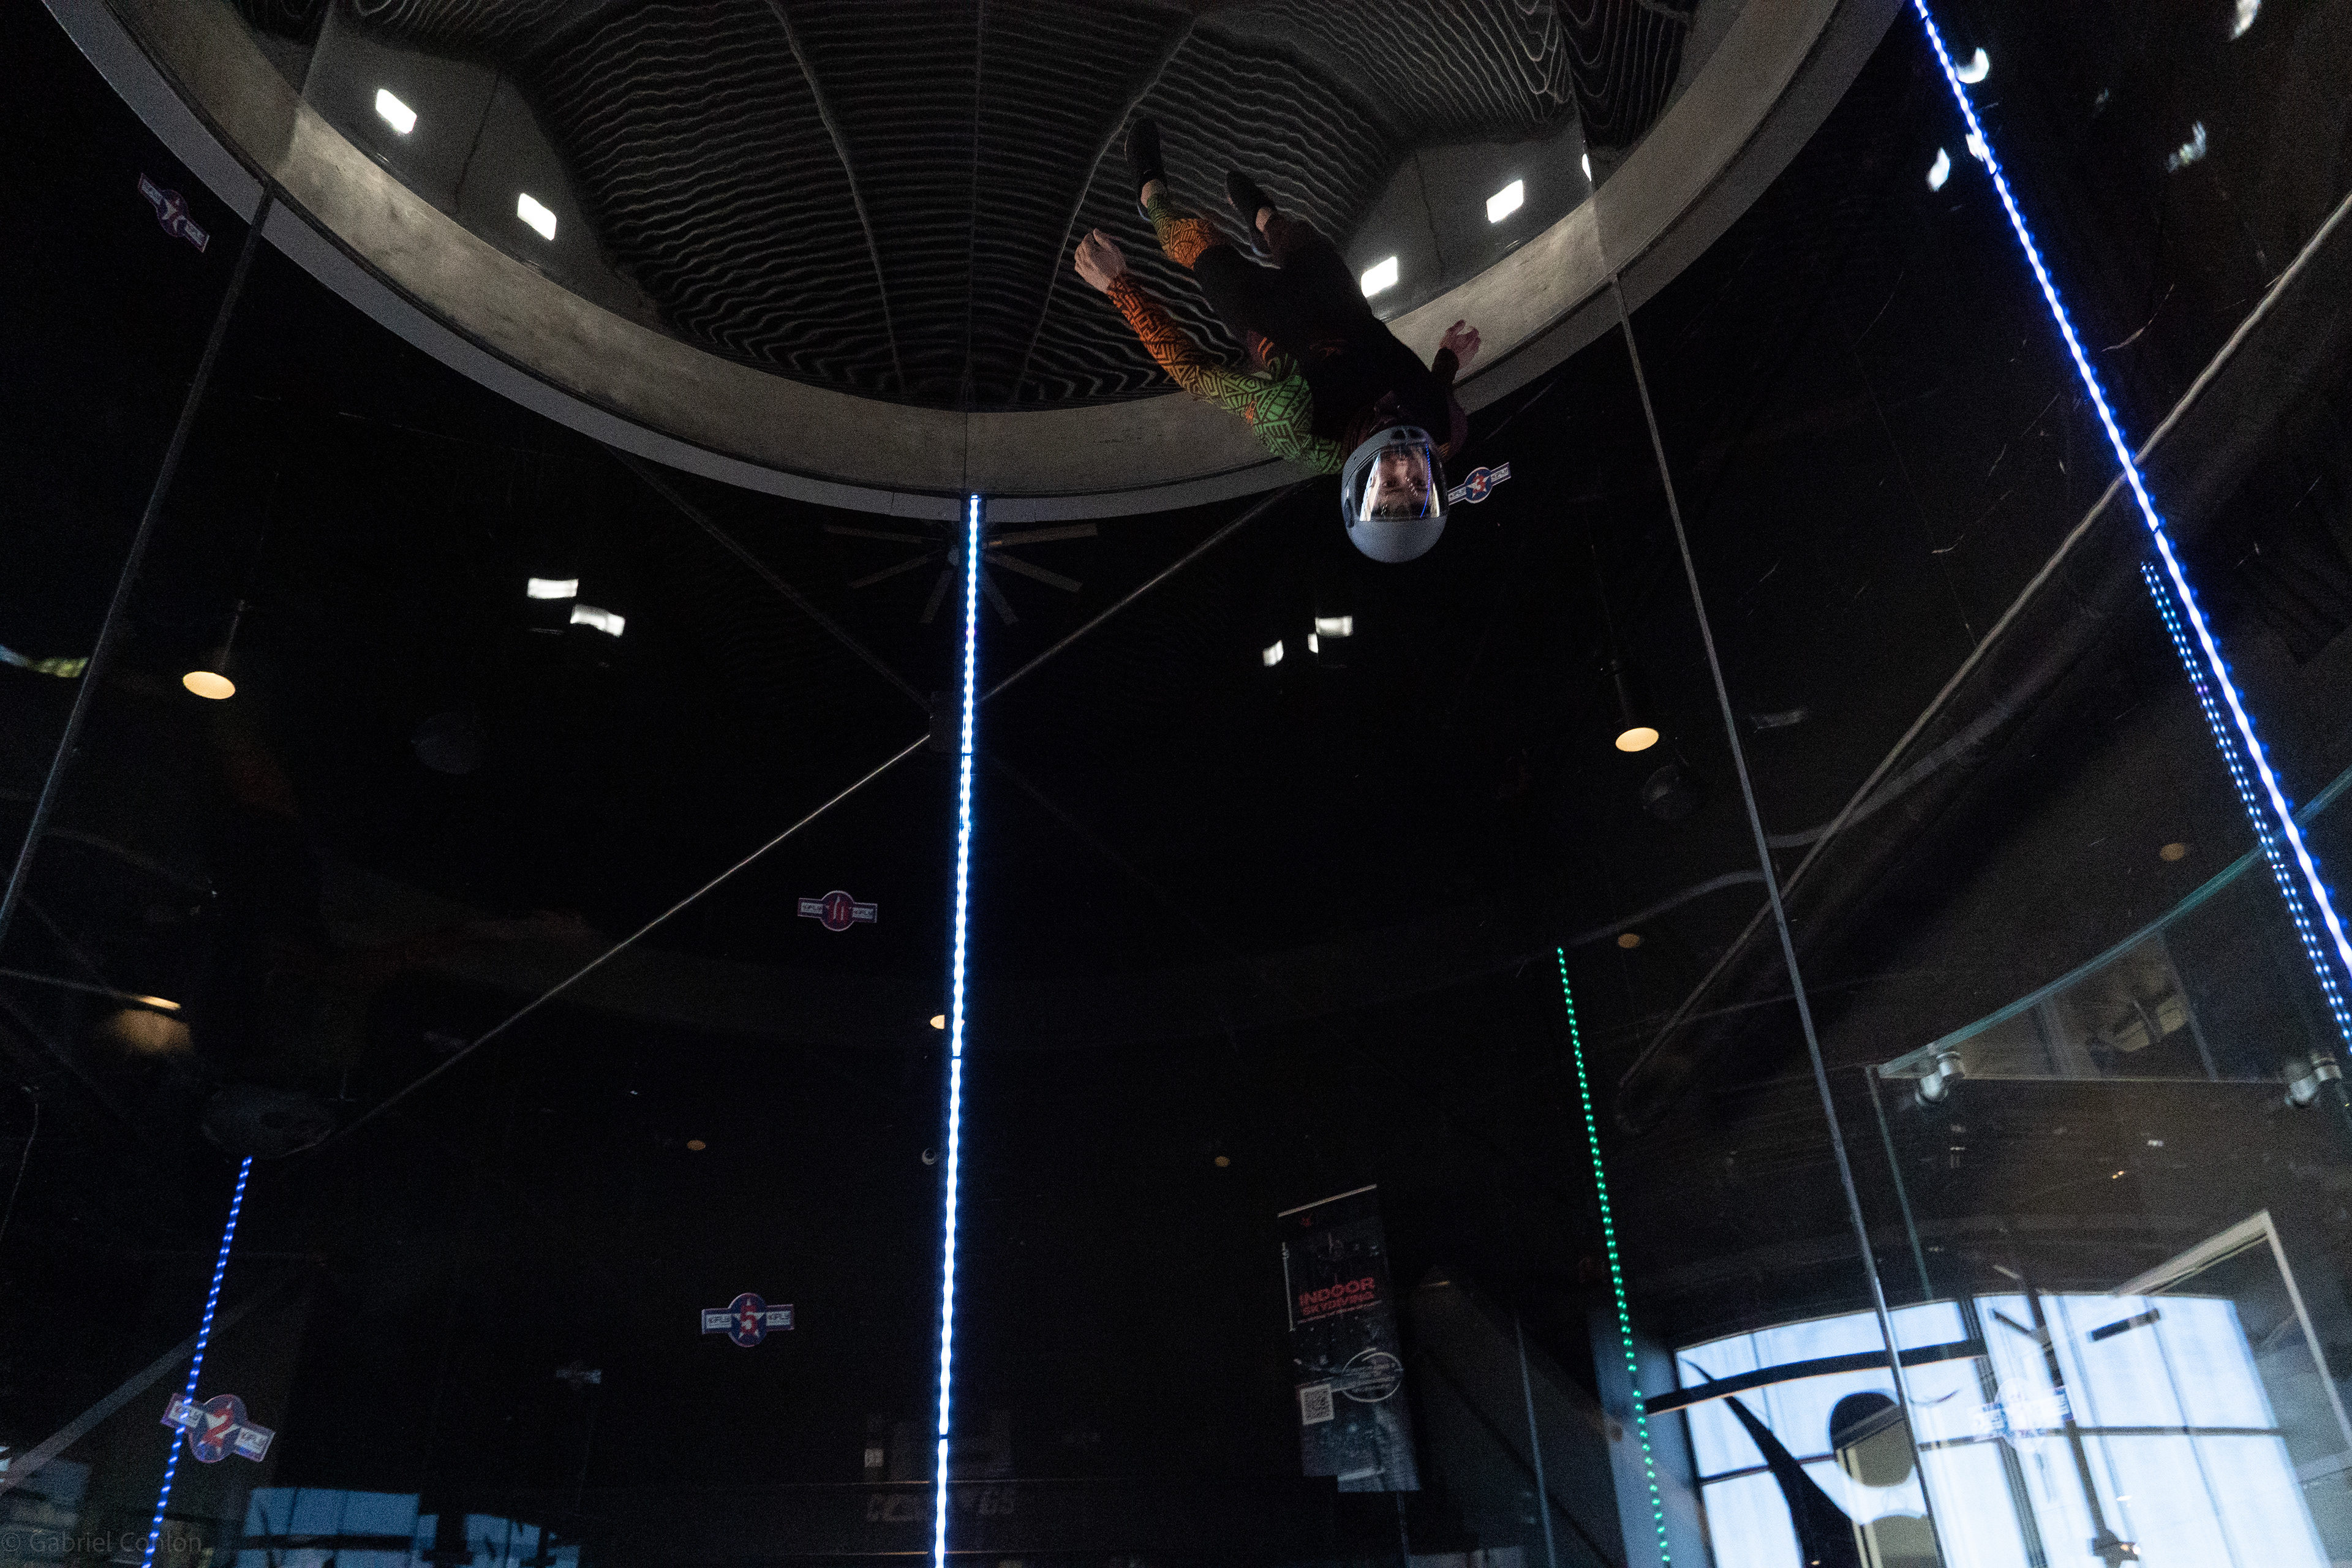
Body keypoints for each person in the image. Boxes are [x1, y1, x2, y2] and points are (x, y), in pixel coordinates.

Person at [1072, 119, 1482, 564]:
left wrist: (1121, 288)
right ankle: (1262, 221)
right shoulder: (1445, 430)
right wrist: (1446, 361)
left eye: (1389, 483)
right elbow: (1437, 396)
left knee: (1198, 239)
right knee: (1296, 236)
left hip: (1265, 315)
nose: (1404, 463)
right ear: (1436, 482)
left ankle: (1152, 195)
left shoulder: (1296, 426)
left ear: (1359, 485)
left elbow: (1198, 374)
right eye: (1419, 483)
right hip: (1339, 308)